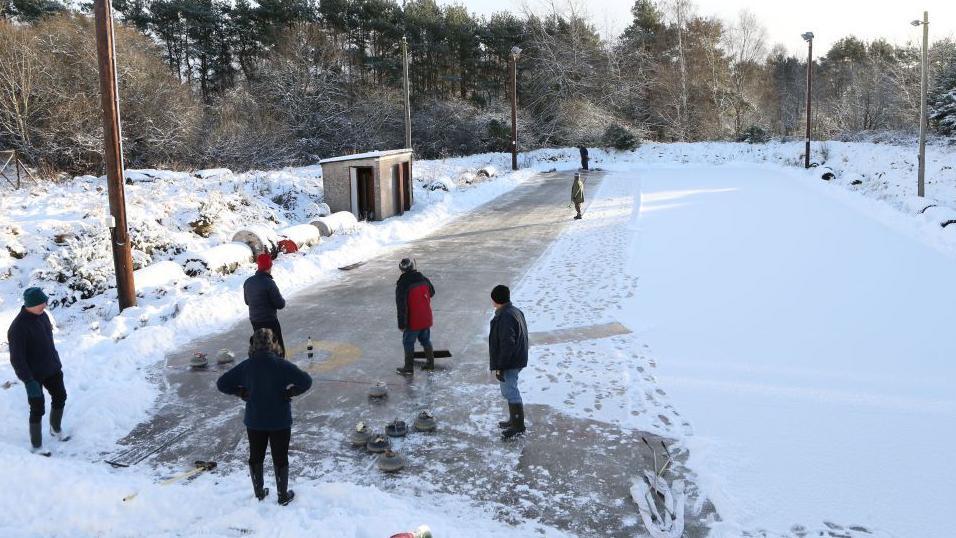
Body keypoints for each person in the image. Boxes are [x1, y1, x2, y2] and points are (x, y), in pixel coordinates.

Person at [217, 328, 312, 505]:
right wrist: (291, 392)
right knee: (280, 457)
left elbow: (222, 384)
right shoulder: (281, 364)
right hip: (280, 421)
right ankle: (282, 496)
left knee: (256, 456)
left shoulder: (247, 366)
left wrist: (240, 391)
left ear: (253, 345)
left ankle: (259, 493)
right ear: (272, 343)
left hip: (255, 421)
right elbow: (306, 381)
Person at [7, 287, 68, 456]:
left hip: (52, 367)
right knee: (37, 408)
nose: (45, 305)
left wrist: (56, 362)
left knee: (61, 396)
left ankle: (55, 428)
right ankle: (37, 446)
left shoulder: (43, 316)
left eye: (45, 302)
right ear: (30, 305)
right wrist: (28, 380)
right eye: (41, 303)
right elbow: (17, 359)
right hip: (34, 376)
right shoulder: (18, 328)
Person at [488, 285, 529, 439]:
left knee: (510, 391)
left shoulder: (505, 316)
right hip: (517, 358)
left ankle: (518, 426)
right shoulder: (514, 311)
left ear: (495, 300)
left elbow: (507, 344)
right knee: (510, 390)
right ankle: (514, 419)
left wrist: (500, 367)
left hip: (511, 361)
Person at [395, 258, 436, 375]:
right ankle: (430, 364)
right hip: (426, 316)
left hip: (413, 320)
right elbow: (432, 292)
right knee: (426, 340)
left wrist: (401, 324)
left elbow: (401, 306)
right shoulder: (423, 279)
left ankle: (408, 368)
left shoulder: (402, 284)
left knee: (408, 342)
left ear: (401, 270)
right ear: (412, 267)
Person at [244, 253, 286, 357]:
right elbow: (280, 304)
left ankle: (261, 366)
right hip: (269, 321)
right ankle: (278, 367)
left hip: (255, 321)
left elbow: (247, 301)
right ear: (269, 266)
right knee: (277, 347)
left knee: (259, 347)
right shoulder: (269, 283)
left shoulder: (248, 282)